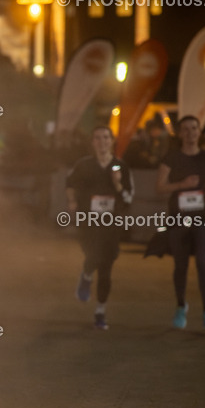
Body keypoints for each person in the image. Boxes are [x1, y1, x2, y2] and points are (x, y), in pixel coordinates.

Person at [66, 126, 133, 330]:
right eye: (98, 138)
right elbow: (70, 184)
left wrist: (118, 184)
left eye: (106, 137)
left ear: (112, 141)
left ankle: (100, 312)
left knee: (106, 268)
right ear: (92, 142)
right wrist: (72, 202)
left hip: (111, 225)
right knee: (93, 256)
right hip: (88, 222)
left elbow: (128, 199)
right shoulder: (84, 165)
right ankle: (86, 276)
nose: (102, 141)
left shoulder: (121, 167)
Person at [156, 115, 205, 329]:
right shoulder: (171, 158)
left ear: (199, 132)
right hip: (178, 218)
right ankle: (181, 307)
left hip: (202, 216)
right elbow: (160, 187)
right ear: (180, 133)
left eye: (194, 128)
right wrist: (181, 184)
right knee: (180, 264)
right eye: (186, 129)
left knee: (202, 260)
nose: (191, 133)